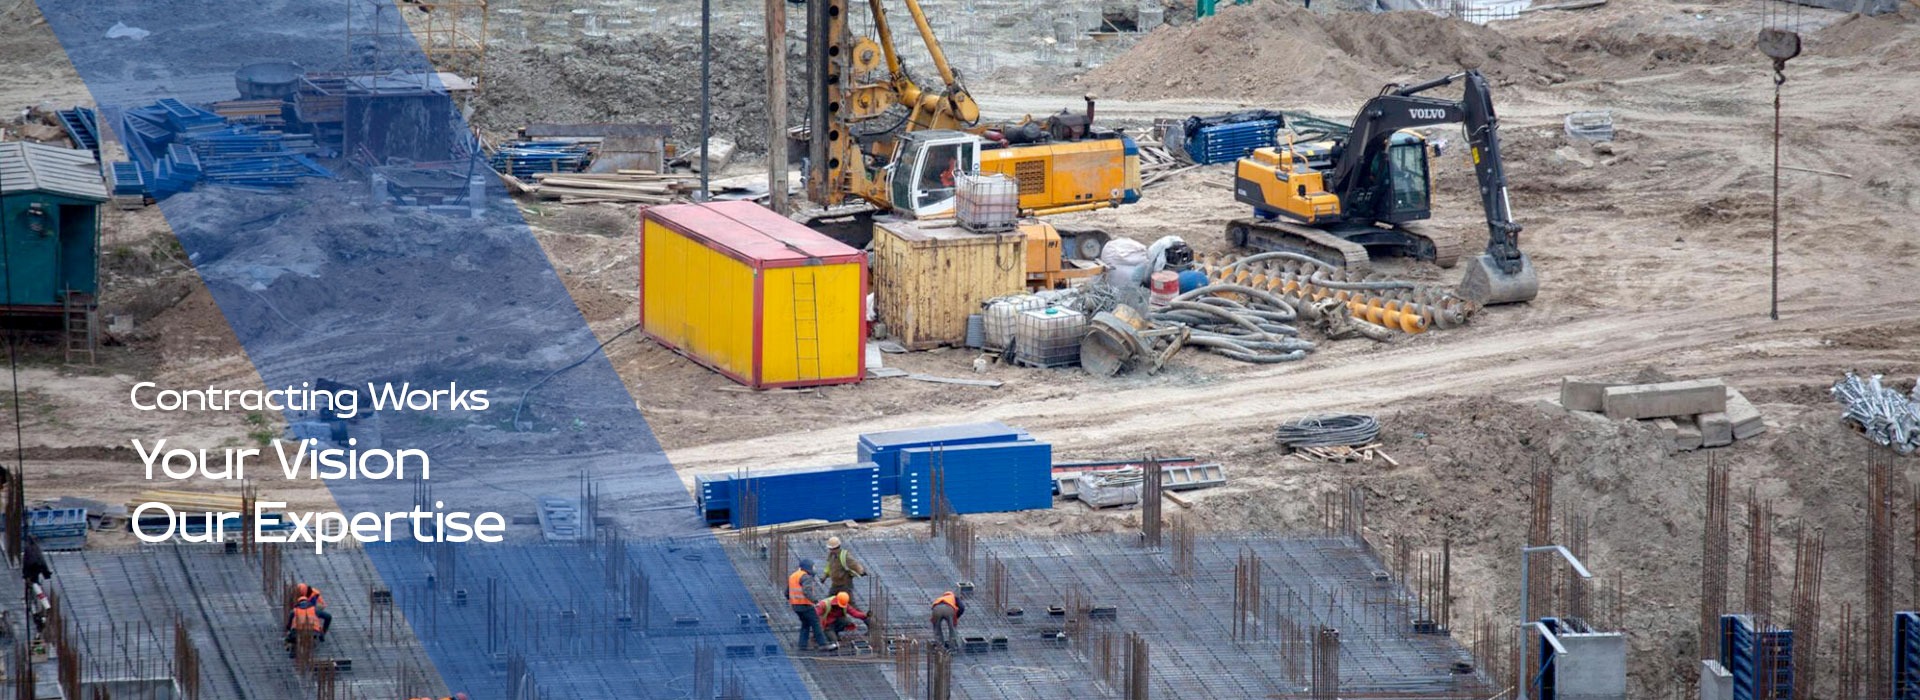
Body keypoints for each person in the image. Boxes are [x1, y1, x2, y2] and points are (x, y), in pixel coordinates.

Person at [788, 559, 834, 651]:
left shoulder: (793, 576)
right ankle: (823, 644)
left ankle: (802, 645)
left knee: (805, 624)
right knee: (816, 623)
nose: (814, 569)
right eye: (813, 567)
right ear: (808, 567)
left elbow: (787, 592)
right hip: (805, 605)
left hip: (796, 606)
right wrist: (815, 601)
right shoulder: (806, 577)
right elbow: (806, 591)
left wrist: (793, 600)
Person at [823, 536, 867, 604]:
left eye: (832, 549)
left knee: (849, 602)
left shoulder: (844, 555)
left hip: (845, 584)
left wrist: (861, 571)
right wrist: (824, 576)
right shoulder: (831, 555)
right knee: (829, 601)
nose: (830, 550)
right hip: (835, 584)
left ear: (836, 547)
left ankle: (857, 610)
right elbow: (828, 566)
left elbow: (854, 564)